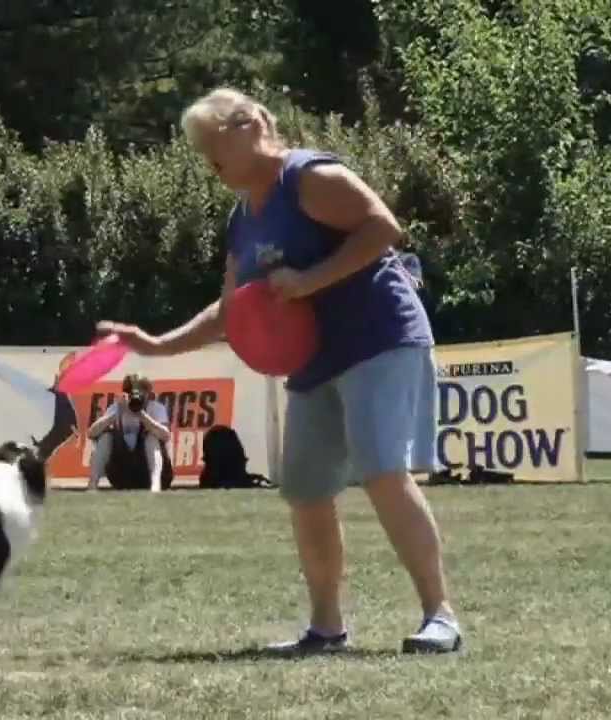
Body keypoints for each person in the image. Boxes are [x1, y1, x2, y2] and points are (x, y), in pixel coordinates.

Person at [96, 87, 462, 655]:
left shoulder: (309, 177)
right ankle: (326, 629)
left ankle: (441, 617)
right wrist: (156, 345)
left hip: (379, 337)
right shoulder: (242, 220)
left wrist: (310, 281)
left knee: (382, 470)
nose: (210, 163)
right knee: (306, 490)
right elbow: (232, 310)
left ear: (249, 126)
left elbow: (382, 228)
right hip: (314, 361)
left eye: (213, 145)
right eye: (202, 153)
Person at [86, 373, 172, 492]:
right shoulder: (116, 408)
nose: (137, 395)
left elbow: (166, 435)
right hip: (123, 473)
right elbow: (91, 433)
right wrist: (116, 414)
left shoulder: (156, 408)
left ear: (148, 393)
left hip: (148, 472)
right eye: (132, 391)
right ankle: (93, 484)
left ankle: (155, 485)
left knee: (152, 436)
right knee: (106, 436)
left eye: (142, 390)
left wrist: (142, 415)